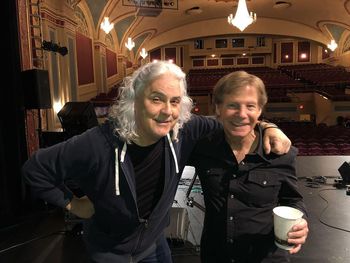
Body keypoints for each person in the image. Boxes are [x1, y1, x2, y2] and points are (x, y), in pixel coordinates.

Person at [22, 61, 291, 263]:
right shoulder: (96, 143)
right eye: (156, 99)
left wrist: (268, 126)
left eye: (175, 101)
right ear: (134, 100)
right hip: (111, 253)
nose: (167, 111)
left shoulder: (183, 130)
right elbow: (35, 169)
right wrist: (73, 203)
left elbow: (235, 119)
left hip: (155, 245)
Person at [188, 71, 309, 263]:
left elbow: (292, 199)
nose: (242, 114)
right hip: (216, 255)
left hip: (265, 257)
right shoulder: (203, 148)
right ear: (218, 108)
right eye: (233, 105)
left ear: (260, 110)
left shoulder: (280, 154)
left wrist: (301, 222)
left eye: (250, 106)